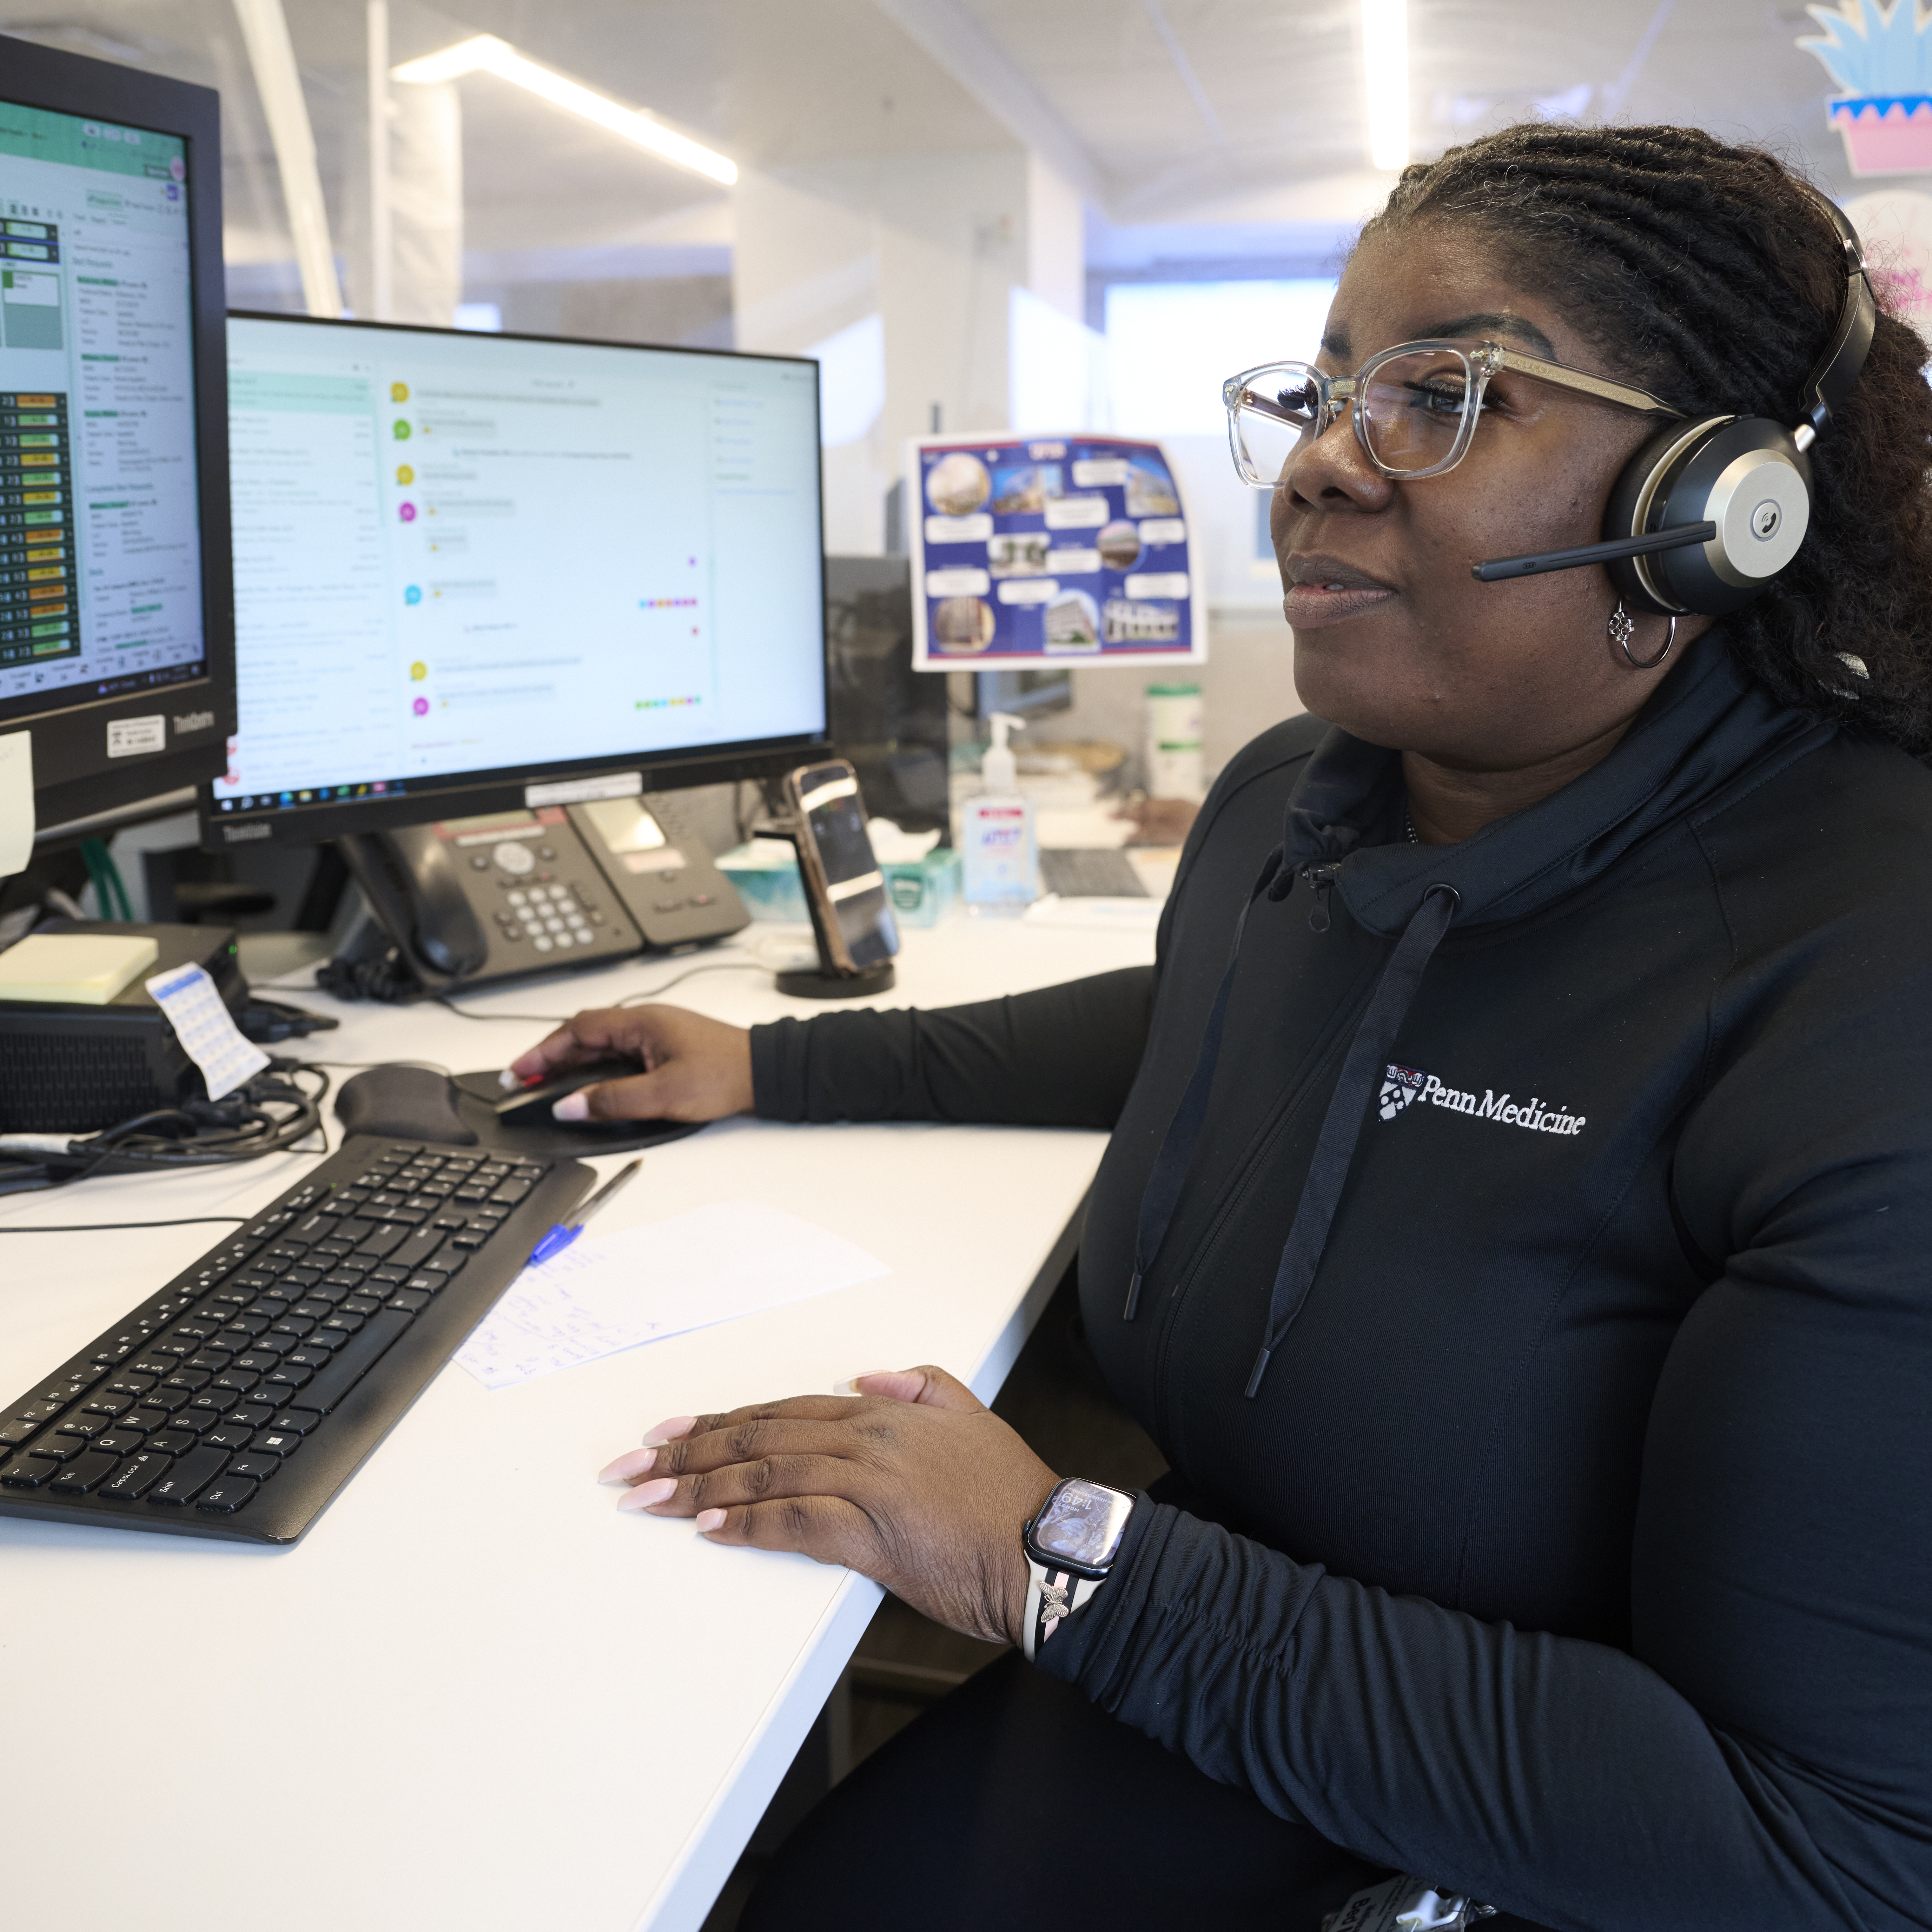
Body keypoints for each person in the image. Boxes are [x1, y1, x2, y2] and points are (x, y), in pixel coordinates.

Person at [512, 126, 1932, 1931]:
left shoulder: (1863, 976)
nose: (1324, 461)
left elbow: (1830, 1848)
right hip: (1199, 1662)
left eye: (1448, 394)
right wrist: (773, 1062)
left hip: (1536, 1826)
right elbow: (1220, 1017)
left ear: (1711, 500)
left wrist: (1049, 1554)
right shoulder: (1301, 807)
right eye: (1327, 389)